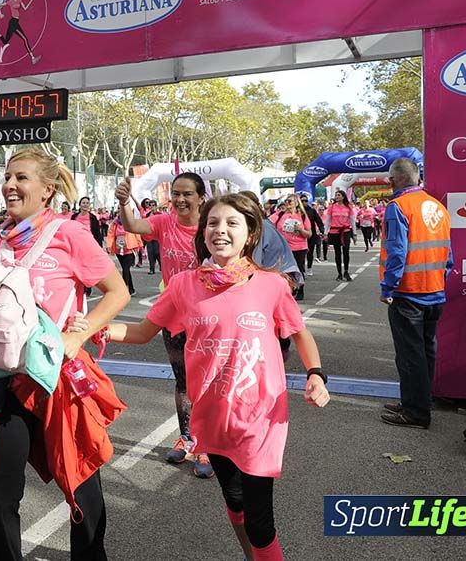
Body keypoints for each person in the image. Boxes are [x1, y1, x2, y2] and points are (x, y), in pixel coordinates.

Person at [109, 193, 330, 561]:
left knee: (260, 521)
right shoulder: (183, 285)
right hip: (212, 416)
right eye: (213, 223)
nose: (220, 230)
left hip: (260, 417)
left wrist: (316, 374)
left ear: (250, 234)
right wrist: (90, 329)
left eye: (231, 223)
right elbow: (141, 332)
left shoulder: (271, 284)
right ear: (203, 231)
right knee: (236, 501)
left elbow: (299, 331)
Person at [0, 148, 129, 560]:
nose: (11, 185)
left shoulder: (70, 235)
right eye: (8, 177)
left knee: (81, 487)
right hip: (8, 378)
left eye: (21, 178)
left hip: (60, 379)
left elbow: (118, 293)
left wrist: (79, 336)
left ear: (47, 189)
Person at [115, 172, 213, 478]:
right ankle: (187, 438)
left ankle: (208, 445)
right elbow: (133, 226)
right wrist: (122, 203)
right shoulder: (163, 222)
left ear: (201, 198)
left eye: (187, 194)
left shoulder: (212, 227)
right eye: (176, 194)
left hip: (208, 317)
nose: (180, 200)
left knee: (208, 382)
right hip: (174, 315)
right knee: (183, 380)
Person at [379, 158, 452, 430]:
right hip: (435, 290)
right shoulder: (437, 206)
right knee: (425, 351)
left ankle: (415, 412)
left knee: (410, 355)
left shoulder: (398, 207)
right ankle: (419, 401)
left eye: (390, 178)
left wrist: (388, 287)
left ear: (395, 179)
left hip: (408, 292)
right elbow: (449, 253)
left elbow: (397, 252)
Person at [269, 194, 312, 301]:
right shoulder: (280, 214)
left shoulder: (302, 216)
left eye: (290, 201)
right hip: (284, 247)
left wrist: (300, 230)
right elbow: (267, 223)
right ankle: (288, 290)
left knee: (298, 269)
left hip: (299, 247)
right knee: (284, 270)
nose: (287, 203)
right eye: (286, 201)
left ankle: (300, 290)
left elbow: (309, 234)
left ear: (296, 203)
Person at [0, 0, 40, 64]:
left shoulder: (20, 0)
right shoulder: (10, 2)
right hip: (13, 23)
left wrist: (31, 0)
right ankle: (32, 58)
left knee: (5, 42)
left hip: (15, 22)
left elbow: (25, 8)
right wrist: (0, 14)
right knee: (25, 39)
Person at [106, 215, 143, 295]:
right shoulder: (115, 223)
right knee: (125, 270)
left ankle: (124, 289)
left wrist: (141, 247)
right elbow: (111, 234)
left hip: (129, 249)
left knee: (125, 269)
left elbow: (136, 234)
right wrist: (109, 245)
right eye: (119, 209)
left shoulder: (130, 221)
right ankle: (131, 289)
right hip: (119, 250)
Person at [324, 190, 356, 281]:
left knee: (346, 252)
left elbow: (352, 220)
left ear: (343, 196)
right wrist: (326, 233)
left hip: (345, 231)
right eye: (336, 195)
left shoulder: (348, 207)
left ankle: (346, 271)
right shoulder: (332, 207)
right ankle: (339, 273)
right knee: (337, 253)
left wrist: (354, 233)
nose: (337, 196)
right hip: (335, 232)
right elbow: (328, 221)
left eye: (339, 195)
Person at [301, 194, 324, 271]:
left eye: (306, 200)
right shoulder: (297, 211)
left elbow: (318, 221)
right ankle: (302, 269)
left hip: (311, 234)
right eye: (302, 201)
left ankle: (309, 268)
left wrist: (322, 230)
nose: (304, 202)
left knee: (310, 252)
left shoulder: (312, 211)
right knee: (301, 253)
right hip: (300, 235)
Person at [141, 200, 162, 275]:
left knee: (157, 252)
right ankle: (151, 269)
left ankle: (161, 265)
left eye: (153, 205)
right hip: (149, 236)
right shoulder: (147, 214)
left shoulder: (160, 214)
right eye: (150, 205)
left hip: (157, 236)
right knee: (150, 253)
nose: (152, 207)